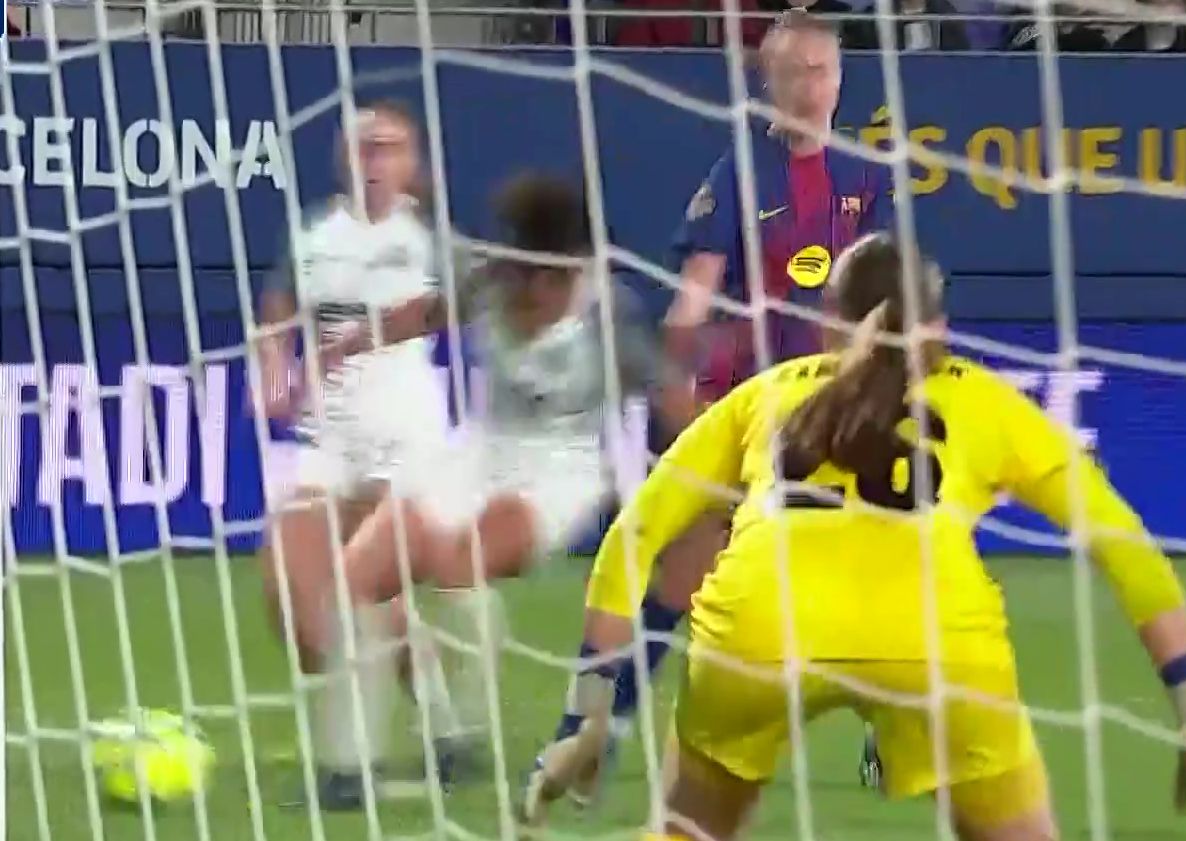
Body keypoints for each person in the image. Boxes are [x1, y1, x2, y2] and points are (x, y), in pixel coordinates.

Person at [560, 233, 1186, 840]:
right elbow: (1124, 545)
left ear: (826, 320)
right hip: (933, 640)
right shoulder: (986, 401)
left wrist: (587, 712)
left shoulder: (765, 395)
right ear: (939, 326)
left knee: (686, 830)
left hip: (758, 631)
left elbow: (633, 534)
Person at [531, 6, 896, 808]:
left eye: (820, 71)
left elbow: (881, 300)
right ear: (765, 82)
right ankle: (588, 732)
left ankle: (893, 730)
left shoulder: (869, 179)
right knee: (677, 573)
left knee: (874, 571)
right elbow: (692, 300)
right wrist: (680, 395)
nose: (806, 87)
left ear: (840, 80)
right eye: (790, 72)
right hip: (742, 408)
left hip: (832, 410)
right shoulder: (739, 173)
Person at [309, 172, 696, 810]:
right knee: (358, 575)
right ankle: (349, 768)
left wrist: (715, 475)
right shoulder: (491, 279)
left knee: (455, 565)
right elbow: (427, 312)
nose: (530, 292)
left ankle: (462, 730)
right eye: (521, 275)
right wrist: (349, 345)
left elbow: (674, 401)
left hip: (560, 471)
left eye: (546, 279)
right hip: (482, 449)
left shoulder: (611, 315)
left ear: (571, 269)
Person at [253, 100, 479, 804]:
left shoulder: (429, 237)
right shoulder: (315, 234)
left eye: (389, 147)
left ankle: (348, 770)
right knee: (291, 591)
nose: (375, 159)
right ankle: (443, 724)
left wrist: (360, 339)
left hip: (404, 430)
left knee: (364, 587)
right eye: (364, 146)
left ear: (412, 161)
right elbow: (278, 309)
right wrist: (274, 369)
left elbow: (460, 303)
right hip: (328, 434)